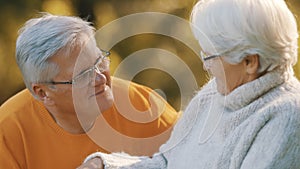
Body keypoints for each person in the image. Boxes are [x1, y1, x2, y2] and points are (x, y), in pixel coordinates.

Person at [78, 0, 300, 168]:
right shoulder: (215, 93)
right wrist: (106, 165)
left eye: (211, 57)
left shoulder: (287, 117)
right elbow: (167, 162)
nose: (206, 67)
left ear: (250, 62)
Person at [0, 13, 179, 169]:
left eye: (99, 61)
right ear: (43, 93)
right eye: (83, 76)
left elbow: (194, 156)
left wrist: (107, 164)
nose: (101, 79)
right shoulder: (7, 132)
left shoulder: (142, 104)